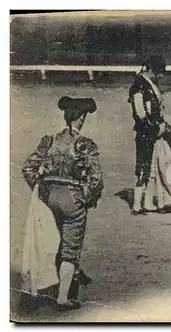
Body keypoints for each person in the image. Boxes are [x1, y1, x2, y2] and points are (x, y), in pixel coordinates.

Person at [21, 96, 103, 311]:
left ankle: (48, 284)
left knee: (52, 241)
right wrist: (87, 199)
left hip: (49, 198)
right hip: (73, 198)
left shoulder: (49, 141)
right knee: (70, 247)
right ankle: (63, 298)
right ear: (82, 118)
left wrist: (40, 191)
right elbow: (96, 180)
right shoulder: (85, 144)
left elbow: (28, 168)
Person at [128, 55, 171, 215]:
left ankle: (149, 203)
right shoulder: (139, 85)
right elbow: (140, 114)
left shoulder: (146, 83)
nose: (161, 76)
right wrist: (156, 128)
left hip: (152, 130)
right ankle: (138, 206)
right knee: (144, 168)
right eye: (159, 72)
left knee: (152, 167)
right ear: (151, 70)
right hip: (146, 132)